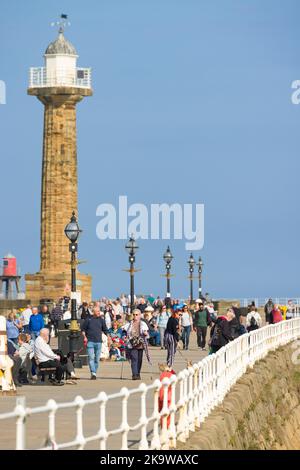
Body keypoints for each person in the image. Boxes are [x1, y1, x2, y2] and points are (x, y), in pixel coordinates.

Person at [81, 307, 110, 380]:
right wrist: (84, 337)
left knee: (97, 359)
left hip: (98, 342)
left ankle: (94, 372)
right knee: (91, 358)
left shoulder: (101, 320)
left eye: (99, 311)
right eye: (97, 311)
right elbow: (83, 330)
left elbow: (105, 330)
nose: (99, 313)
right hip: (90, 341)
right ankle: (93, 373)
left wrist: (109, 338)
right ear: (93, 312)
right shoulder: (88, 320)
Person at [123, 309, 150, 380]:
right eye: (134, 314)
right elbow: (124, 331)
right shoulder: (129, 324)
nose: (135, 316)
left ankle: (138, 373)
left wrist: (145, 333)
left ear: (140, 315)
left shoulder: (143, 324)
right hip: (132, 344)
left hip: (140, 344)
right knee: (134, 359)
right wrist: (124, 337)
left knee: (139, 360)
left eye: (136, 315)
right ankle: (134, 374)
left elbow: (147, 332)